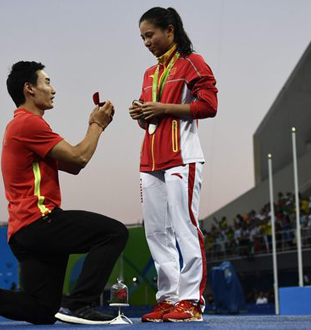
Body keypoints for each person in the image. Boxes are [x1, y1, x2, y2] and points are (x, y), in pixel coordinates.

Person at [0, 61, 128, 326]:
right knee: (114, 233)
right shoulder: (28, 125)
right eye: (47, 82)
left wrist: (94, 127)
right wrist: (97, 124)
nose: (53, 89)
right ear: (29, 89)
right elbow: (80, 157)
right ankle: (80, 304)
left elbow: (72, 166)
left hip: (24, 231)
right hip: (41, 221)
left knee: (42, 310)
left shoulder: (21, 127)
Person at [128, 7, 218, 322]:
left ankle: (191, 301)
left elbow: (209, 105)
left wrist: (163, 107)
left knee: (184, 226)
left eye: (150, 35)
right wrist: (142, 114)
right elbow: (153, 120)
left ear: (169, 31)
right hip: (150, 158)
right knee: (156, 231)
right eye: (142, 37)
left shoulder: (192, 63)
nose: (146, 42)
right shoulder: (149, 74)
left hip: (183, 156)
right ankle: (168, 298)